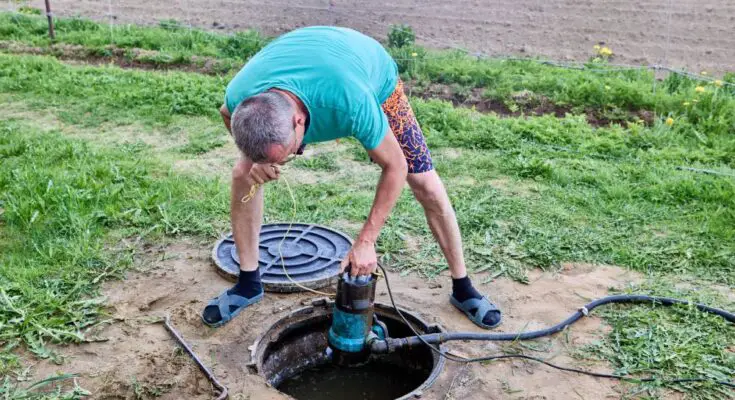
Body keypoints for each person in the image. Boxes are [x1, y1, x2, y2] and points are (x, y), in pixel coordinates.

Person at [201, 26, 501, 330]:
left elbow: (396, 166)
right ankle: (248, 283)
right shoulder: (241, 93)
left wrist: (366, 242)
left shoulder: (351, 99)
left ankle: (463, 288)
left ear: (299, 122)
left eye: (287, 153)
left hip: (369, 73)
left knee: (425, 184)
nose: (285, 162)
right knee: (243, 174)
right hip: (306, 58)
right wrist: (255, 163)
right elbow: (227, 112)